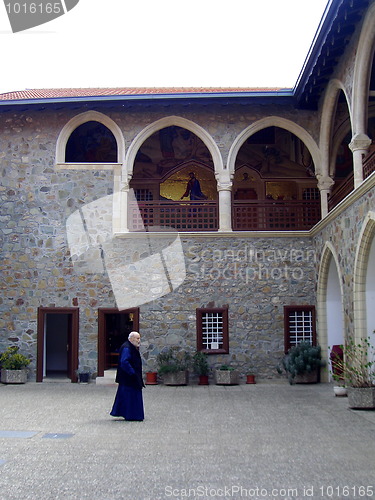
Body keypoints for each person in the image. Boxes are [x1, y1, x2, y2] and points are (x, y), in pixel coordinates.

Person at [110, 331, 145, 421]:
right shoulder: (127, 348)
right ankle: (131, 415)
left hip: (130, 378)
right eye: (137, 338)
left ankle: (132, 414)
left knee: (130, 396)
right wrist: (132, 373)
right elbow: (124, 362)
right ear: (131, 339)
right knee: (129, 396)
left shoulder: (130, 347)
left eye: (139, 338)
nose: (139, 341)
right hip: (128, 378)